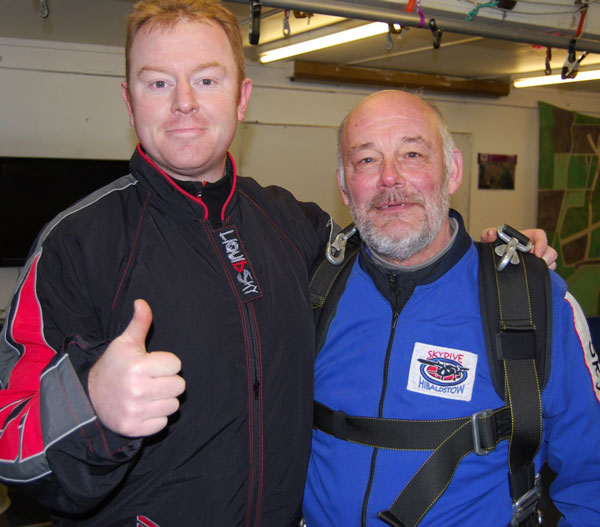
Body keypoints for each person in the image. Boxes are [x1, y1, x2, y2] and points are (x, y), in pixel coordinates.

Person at [0, 2, 555, 526]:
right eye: (158, 82)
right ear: (128, 100)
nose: (184, 102)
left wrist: (493, 263)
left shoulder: (296, 226)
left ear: (241, 98)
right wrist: (92, 406)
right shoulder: (76, 245)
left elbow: (401, 252)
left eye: (207, 80)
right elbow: (11, 445)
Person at [302, 90, 600, 527]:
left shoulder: (532, 301)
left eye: (413, 153)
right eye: (366, 160)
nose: (389, 179)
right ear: (345, 186)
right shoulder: (311, 287)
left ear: (452, 171)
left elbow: (593, 477)